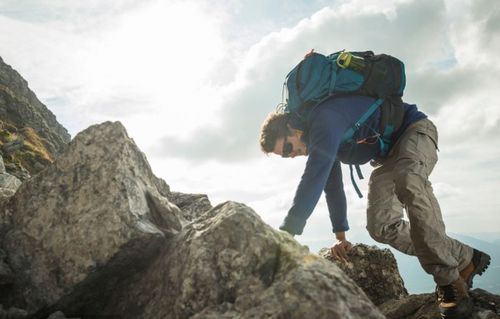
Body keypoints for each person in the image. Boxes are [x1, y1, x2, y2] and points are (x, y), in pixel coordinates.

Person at [259, 95, 490, 319]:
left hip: (415, 132)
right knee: (380, 225)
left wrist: (286, 235)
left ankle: (450, 281)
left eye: (288, 148)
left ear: (292, 128)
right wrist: (340, 237)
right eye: (285, 157)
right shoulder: (320, 138)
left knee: (409, 180)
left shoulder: (324, 119)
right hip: (388, 156)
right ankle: (465, 258)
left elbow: (313, 178)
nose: (292, 156)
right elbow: (332, 186)